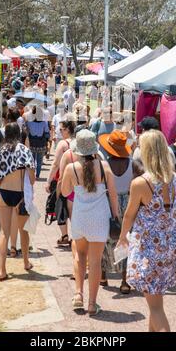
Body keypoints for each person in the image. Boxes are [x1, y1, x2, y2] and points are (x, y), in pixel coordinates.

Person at [117, 129, 176, 332]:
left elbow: (128, 216)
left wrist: (122, 238)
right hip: (168, 248)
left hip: (148, 250)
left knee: (155, 308)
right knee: (156, 303)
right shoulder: (175, 180)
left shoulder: (140, 183)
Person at [61, 129, 118, 316]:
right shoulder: (104, 166)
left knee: (79, 256)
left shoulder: (71, 168)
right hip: (99, 218)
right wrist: (116, 216)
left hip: (80, 217)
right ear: (94, 148)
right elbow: (113, 195)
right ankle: (92, 304)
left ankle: (78, 294)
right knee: (95, 262)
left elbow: (64, 192)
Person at [0, 123, 35, 280]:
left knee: (4, 232)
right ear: (19, 134)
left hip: (4, 193)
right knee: (24, 231)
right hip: (20, 195)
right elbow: (32, 178)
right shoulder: (24, 150)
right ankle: (26, 262)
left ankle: (2, 271)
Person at [98, 130, 133, 293]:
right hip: (127, 202)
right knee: (124, 238)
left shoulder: (105, 164)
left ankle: (103, 275)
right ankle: (124, 281)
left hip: (107, 201)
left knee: (105, 239)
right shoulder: (132, 163)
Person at [46, 115, 76, 246]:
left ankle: (65, 236)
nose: (59, 131)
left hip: (63, 180)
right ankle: (76, 235)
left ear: (68, 129)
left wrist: (48, 181)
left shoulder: (63, 144)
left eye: (61, 129)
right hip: (76, 179)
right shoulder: (76, 142)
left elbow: (55, 164)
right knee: (74, 209)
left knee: (61, 206)